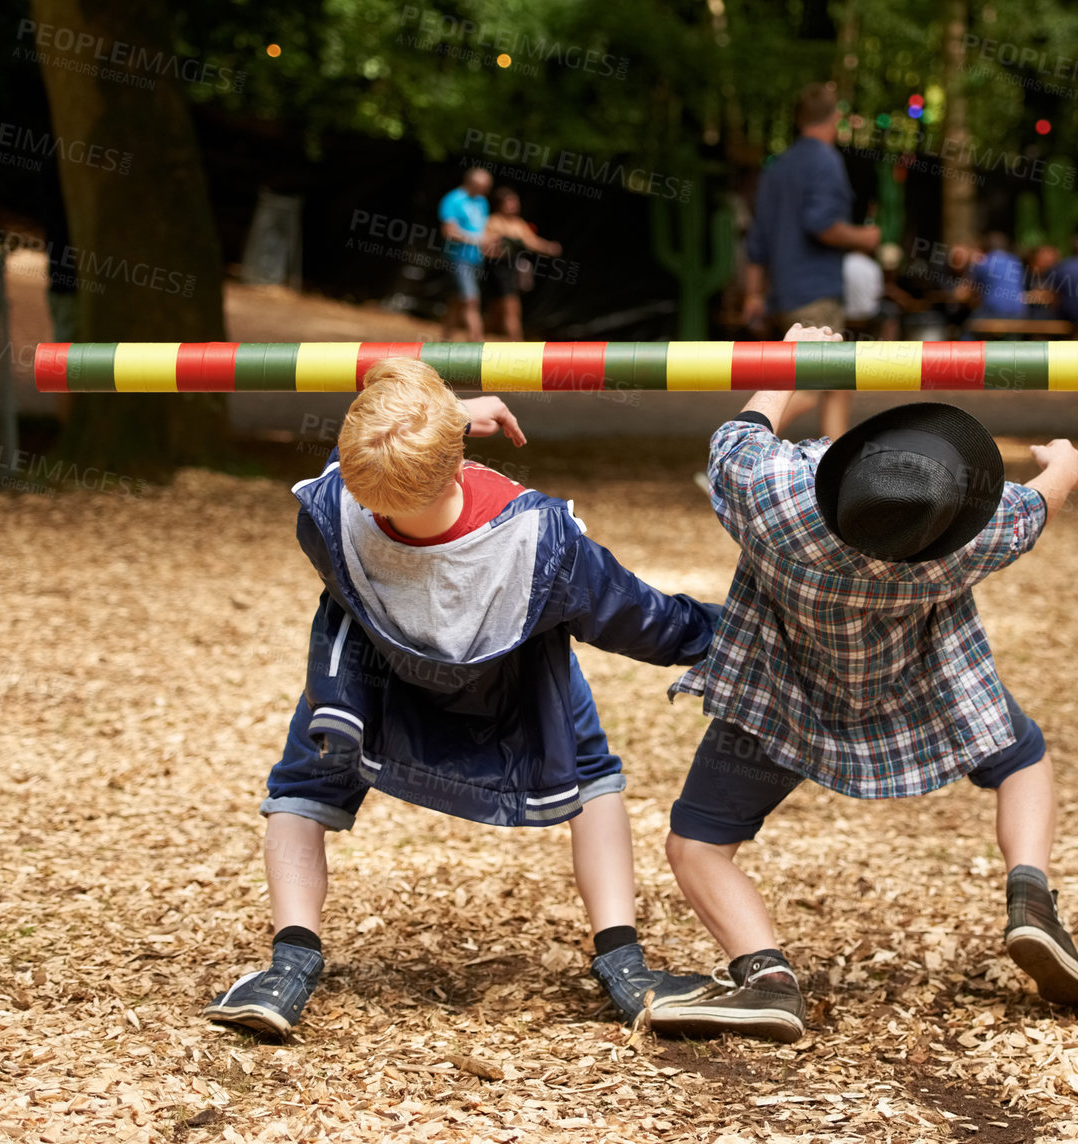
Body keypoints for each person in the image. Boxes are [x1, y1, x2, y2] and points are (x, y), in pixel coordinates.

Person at [203, 359, 719, 1039]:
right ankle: (623, 965)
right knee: (594, 781)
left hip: (368, 691)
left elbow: (352, 461)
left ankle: (288, 966)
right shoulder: (542, 541)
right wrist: (739, 630)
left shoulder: (327, 512)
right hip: (513, 694)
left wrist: (437, 418)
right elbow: (647, 622)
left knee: (305, 784)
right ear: (456, 461)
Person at [648, 324, 1078, 1043]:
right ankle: (1030, 899)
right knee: (1022, 760)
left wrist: (795, 357)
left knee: (697, 845)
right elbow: (1051, 492)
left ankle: (765, 977)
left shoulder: (772, 500)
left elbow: (743, 432)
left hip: (778, 702)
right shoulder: (975, 537)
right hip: (921, 697)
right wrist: (1063, 459)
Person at [742, 83, 875, 441]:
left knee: (838, 381)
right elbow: (822, 225)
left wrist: (754, 295)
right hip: (815, 292)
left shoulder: (777, 167)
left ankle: (835, 469)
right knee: (811, 385)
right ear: (835, 119)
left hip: (784, 292)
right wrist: (864, 238)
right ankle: (735, 453)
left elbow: (757, 241)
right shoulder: (825, 160)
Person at [483, 186, 562, 341]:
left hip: (510, 269)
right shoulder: (494, 221)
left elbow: (533, 242)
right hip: (498, 270)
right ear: (500, 204)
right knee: (512, 310)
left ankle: (478, 343)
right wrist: (499, 248)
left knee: (497, 312)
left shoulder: (518, 224)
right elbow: (486, 248)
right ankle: (517, 346)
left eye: (515, 202)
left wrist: (549, 247)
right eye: (510, 202)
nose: (514, 205)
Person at [438, 167, 492, 342]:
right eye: (483, 186)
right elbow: (448, 232)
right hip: (458, 258)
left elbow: (481, 230)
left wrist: (490, 243)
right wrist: (476, 240)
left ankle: (444, 342)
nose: (486, 190)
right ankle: (478, 344)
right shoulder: (453, 199)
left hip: (477, 259)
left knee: (457, 301)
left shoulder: (482, 202)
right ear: (471, 183)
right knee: (471, 300)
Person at [962, 232, 1029, 322]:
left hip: (994, 312)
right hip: (1019, 312)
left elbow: (969, 290)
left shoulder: (983, 262)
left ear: (985, 247)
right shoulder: (1015, 260)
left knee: (968, 330)